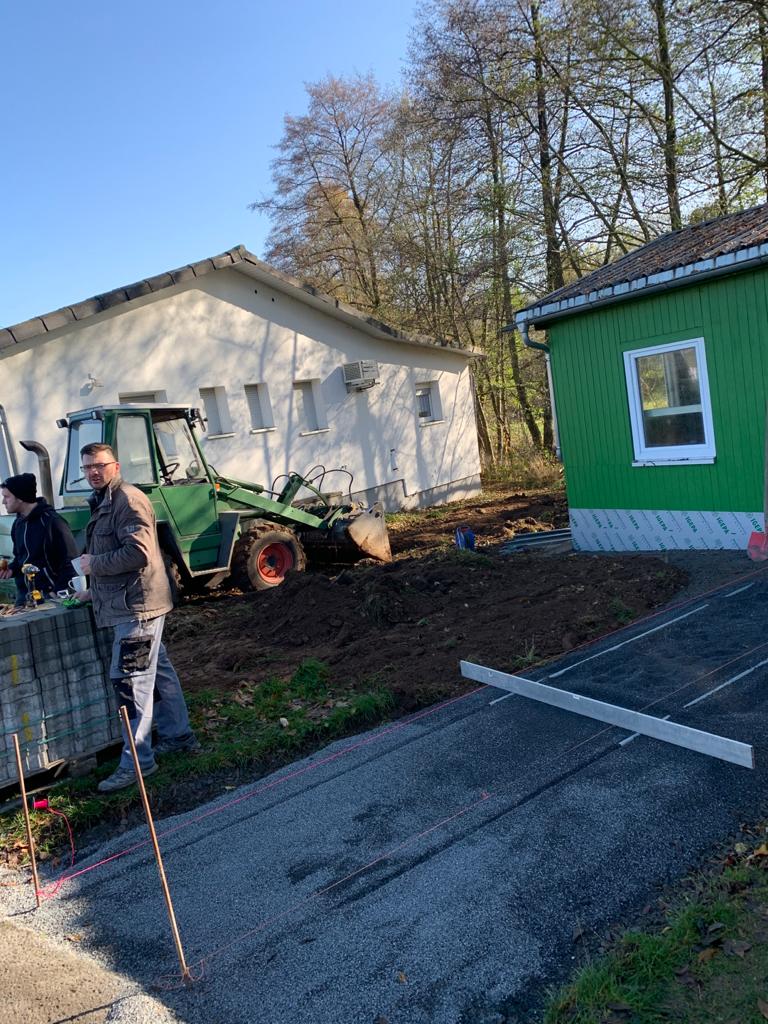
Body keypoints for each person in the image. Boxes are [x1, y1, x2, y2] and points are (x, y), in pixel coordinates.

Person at [77, 442, 199, 793]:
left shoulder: (127, 499)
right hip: (130, 603)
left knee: (131, 683)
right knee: (158, 674)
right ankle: (178, 736)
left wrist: (94, 565)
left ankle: (138, 763)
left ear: (115, 466)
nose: (93, 472)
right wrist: (94, 590)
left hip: (137, 609)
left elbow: (138, 553)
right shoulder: (104, 501)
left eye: (99, 465)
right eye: (87, 467)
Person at [0, 473, 79, 609]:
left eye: (7, 497)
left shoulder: (53, 522)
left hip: (50, 598)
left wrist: (57, 592)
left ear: (20, 498)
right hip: (24, 598)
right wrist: (11, 569)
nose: (3, 502)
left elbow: (71, 561)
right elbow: (20, 558)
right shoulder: (18, 523)